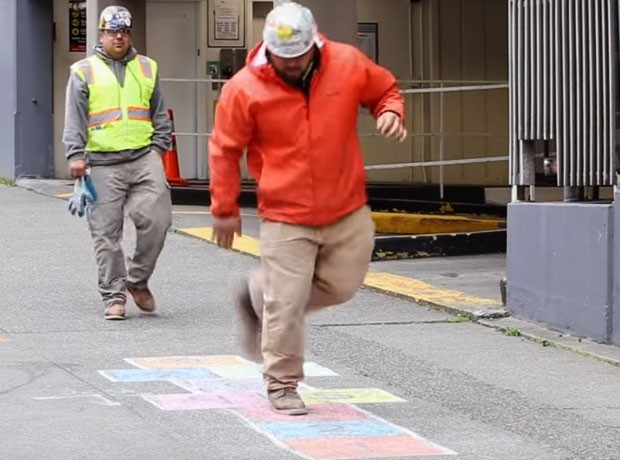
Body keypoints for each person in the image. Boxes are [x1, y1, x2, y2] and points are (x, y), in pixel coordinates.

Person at [208, 2, 406, 415]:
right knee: (288, 301)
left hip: (347, 205)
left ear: (314, 43)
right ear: (268, 49)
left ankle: (255, 295)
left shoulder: (346, 63)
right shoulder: (243, 89)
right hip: (285, 212)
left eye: (299, 56)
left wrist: (390, 111)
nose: (292, 64)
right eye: (283, 57)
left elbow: (384, 88)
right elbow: (225, 150)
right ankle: (282, 384)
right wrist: (224, 208)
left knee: (343, 286)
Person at [63, 6, 172, 321]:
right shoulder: (83, 71)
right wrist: (75, 156)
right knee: (106, 235)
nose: (119, 36)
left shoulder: (148, 68)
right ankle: (114, 296)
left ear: (130, 33)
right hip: (102, 164)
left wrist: (158, 150)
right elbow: (75, 119)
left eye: (124, 31)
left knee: (159, 220)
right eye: (112, 31)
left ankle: (136, 280)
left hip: (143, 158)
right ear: (102, 34)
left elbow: (160, 113)